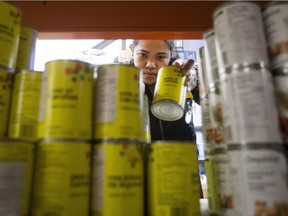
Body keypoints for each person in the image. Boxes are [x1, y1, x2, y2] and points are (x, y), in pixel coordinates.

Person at [127, 40, 197, 142]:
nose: (150, 65)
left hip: (182, 155)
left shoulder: (179, 72)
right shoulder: (121, 77)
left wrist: (194, 82)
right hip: (135, 156)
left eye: (160, 57)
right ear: (132, 50)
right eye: (143, 55)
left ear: (170, 54)